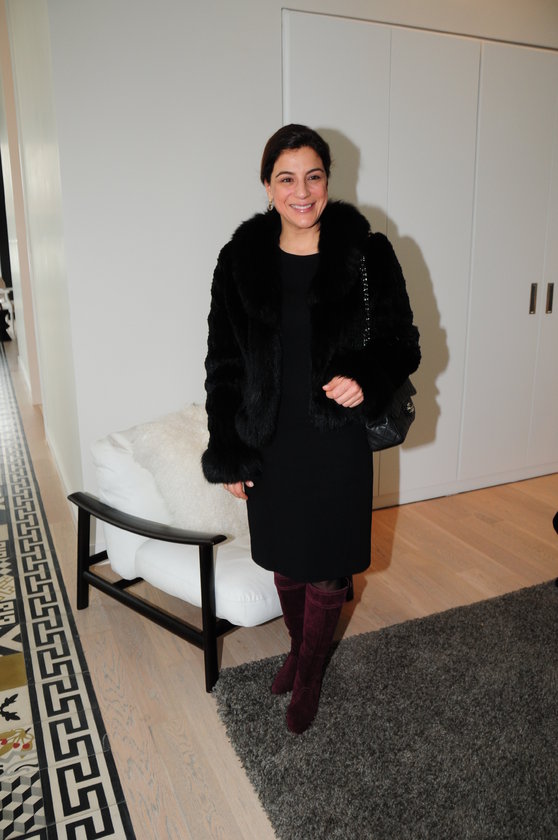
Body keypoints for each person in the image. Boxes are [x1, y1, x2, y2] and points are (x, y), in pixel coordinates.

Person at [202, 124, 420, 734]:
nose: (301, 192)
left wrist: (365, 377)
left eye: (313, 176)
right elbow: (223, 363)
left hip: (336, 440)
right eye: (286, 178)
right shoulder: (239, 260)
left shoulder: (367, 254)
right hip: (269, 439)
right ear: (267, 186)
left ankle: (312, 672)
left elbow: (403, 343)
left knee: (326, 563)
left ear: (329, 179)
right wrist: (229, 449)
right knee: (286, 557)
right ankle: (301, 650)